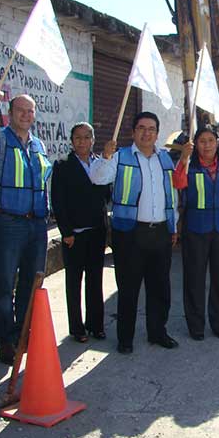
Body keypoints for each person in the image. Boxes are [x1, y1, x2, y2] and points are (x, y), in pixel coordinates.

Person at [91, 112, 180, 354]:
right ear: (133, 132)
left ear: (157, 133)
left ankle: (157, 332)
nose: (147, 132)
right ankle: (125, 338)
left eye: (152, 128)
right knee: (128, 288)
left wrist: (174, 225)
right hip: (129, 232)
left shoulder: (165, 159)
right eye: (142, 128)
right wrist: (106, 156)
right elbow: (97, 178)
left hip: (160, 231)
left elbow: (172, 195)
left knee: (160, 286)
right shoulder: (119, 157)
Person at [0, 88, 52, 365]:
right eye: (21, 110)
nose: (26, 115)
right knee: (4, 284)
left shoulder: (39, 146)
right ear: (10, 114)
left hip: (36, 224)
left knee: (31, 283)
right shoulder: (0, 140)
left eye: (30, 110)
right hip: (8, 222)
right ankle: (5, 340)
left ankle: (25, 334)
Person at [173, 125, 219, 340]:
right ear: (195, 145)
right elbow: (178, 182)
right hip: (195, 229)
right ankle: (196, 326)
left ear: (217, 143)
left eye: (210, 141)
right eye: (202, 141)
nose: (206, 145)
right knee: (194, 279)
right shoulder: (189, 166)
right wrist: (184, 159)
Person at [51, 122, 110, 344]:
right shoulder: (63, 165)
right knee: (74, 281)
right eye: (78, 138)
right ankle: (77, 328)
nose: (82, 142)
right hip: (74, 234)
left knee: (95, 280)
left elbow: (106, 194)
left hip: (96, 231)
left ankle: (96, 325)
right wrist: (65, 231)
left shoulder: (99, 164)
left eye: (86, 137)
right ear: (72, 140)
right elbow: (58, 201)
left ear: (93, 140)